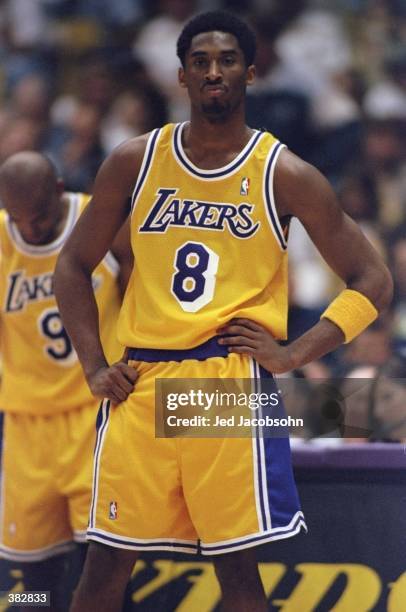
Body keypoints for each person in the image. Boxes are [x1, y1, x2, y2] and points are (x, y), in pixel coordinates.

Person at [54, 11, 393, 612]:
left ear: (251, 73)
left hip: (227, 381)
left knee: (237, 574)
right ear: (181, 75)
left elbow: (373, 281)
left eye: (228, 60)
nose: (215, 71)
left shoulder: (285, 173)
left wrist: (294, 354)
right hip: (141, 378)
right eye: (201, 61)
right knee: (103, 566)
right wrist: (92, 365)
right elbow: (71, 266)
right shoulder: (135, 160)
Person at [0, 151, 132, 610]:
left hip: (95, 417)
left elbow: (142, 297)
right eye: (18, 220)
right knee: (32, 580)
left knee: (96, 566)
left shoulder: (100, 218)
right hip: (26, 427)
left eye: (37, 218)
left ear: (58, 191)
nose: (30, 230)